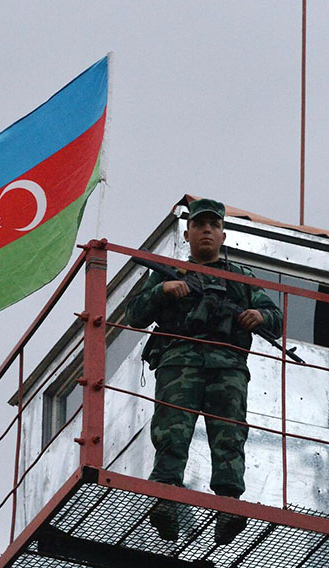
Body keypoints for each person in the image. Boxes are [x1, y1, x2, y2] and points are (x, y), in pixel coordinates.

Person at [125, 198, 282, 545]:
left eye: (213, 225)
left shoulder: (240, 278)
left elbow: (276, 317)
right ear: (188, 232)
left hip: (227, 366)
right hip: (180, 363)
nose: (206, 230)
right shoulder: (168, 271)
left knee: (229, 436)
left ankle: (228, 505)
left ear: (223, 234)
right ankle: (165, 499)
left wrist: (259, 317)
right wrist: (164, 290)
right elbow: (134, 315)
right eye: (200, 224)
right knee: (172, 432)